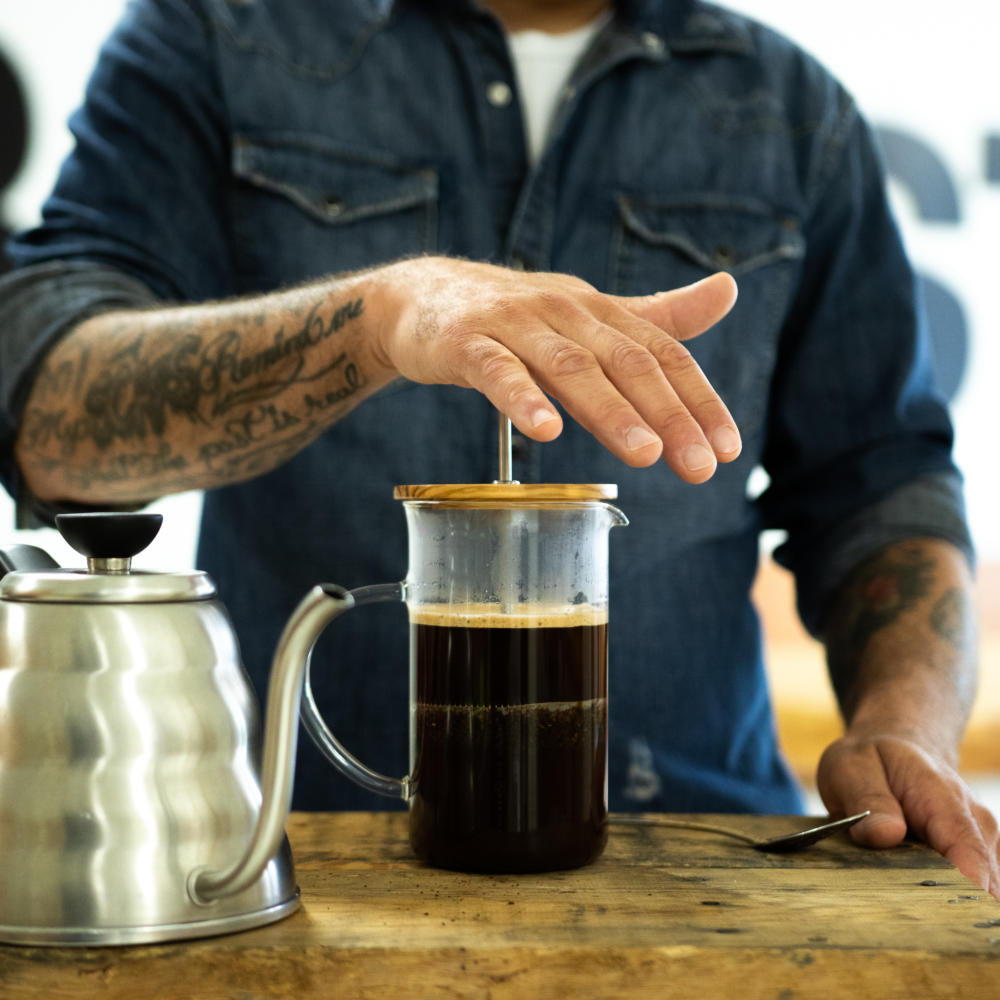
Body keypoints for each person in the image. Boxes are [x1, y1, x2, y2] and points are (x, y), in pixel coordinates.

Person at [0, 0, 996, 895]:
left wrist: (903, 724)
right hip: (286, 867)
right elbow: (49, 417)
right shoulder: (212, 34)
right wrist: (376, 317)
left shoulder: (793, 110)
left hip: (701, 859)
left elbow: (882, 485)